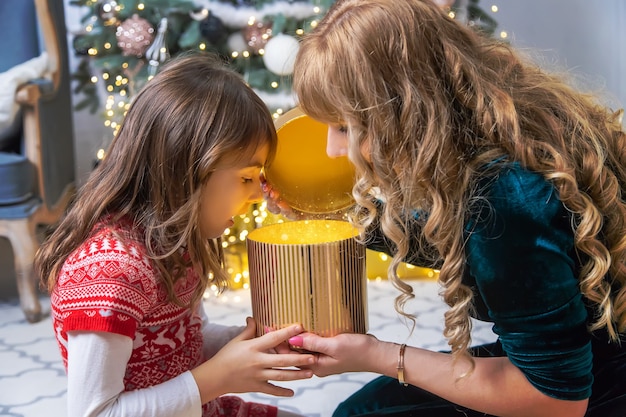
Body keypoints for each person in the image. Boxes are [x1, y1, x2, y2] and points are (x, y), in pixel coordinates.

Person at [267, 0, 626, 416]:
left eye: (346, 127)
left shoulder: (505, 196)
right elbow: (463, 242)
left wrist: (375, 354)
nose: (333, 149)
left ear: (407, 109)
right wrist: (338, 219)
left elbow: (557, 401)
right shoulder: (500, 129)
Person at [35, 52, 316, 417]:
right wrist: (219, 377)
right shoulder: (110, 271)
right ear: (186, 172)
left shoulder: (174, 243)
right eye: (247, 178)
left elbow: (184, 342)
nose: (256, 196)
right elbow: (95, 413)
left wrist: (256, 344)